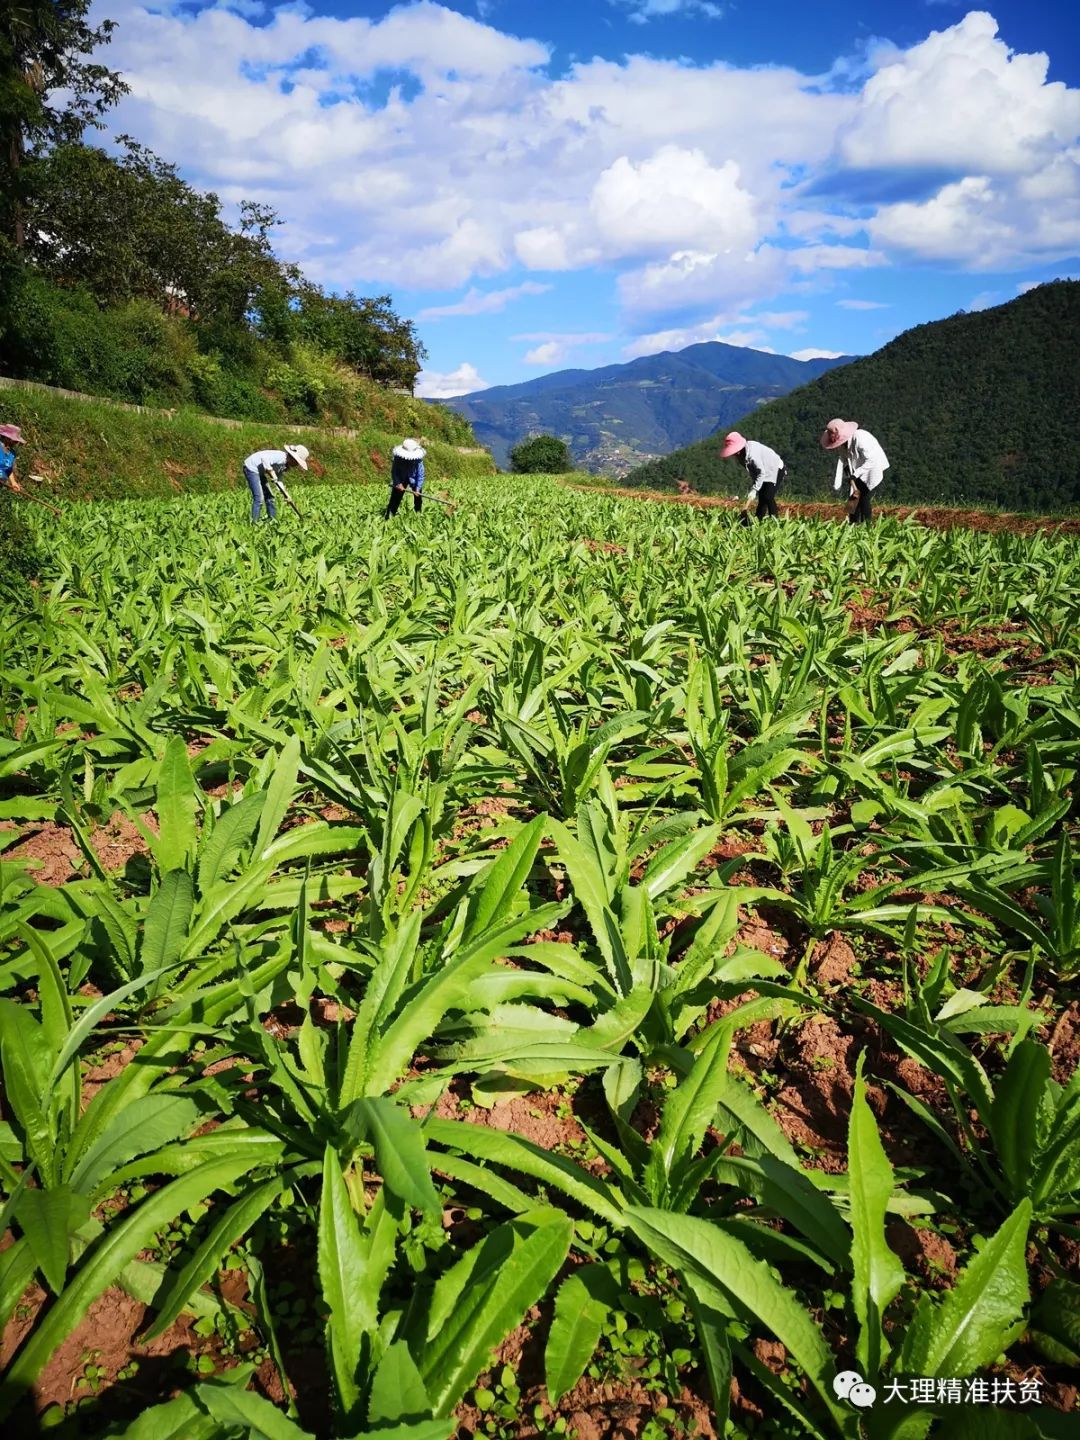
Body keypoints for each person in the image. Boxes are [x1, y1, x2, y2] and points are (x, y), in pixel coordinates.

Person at [820, 419, 889, 525]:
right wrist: (848, 471)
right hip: (857, 468)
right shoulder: (842, 444)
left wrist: (855, 475)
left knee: (864, 497)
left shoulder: (860, 438)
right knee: (853, 498)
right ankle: (852, 523)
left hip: (872, 466)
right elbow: (844, 458)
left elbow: (871, 460)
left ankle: (866, 526)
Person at [719, 430, 785, 520]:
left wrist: (754, 489)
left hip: (775, 468)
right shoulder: (741, 455)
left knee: (768, 496)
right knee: (762, 498)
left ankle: (775, 521)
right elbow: (754, 472)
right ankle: (758, 521)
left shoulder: (753, 455)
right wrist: (756, 485)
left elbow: (761, 472)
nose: (735, 454)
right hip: (763, 470)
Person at [242, 444, 308, 521]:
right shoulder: (281, 457)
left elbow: (279, 481)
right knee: (259, 498)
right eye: (297, 462)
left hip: (260, 471)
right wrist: (271, 471)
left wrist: (286, 495)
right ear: (293, 458)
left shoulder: (283, 465)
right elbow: (264, 459)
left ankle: (272, 520)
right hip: (251, 467)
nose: (297, 465)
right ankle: (254, 522)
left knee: (270, 496)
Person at [386, 437, 425, 517]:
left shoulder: (418, 460)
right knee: (395, 499)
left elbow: (420, 475)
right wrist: (398, 483)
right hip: (401, 478)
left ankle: (418, 515)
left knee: (418, 498)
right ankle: (389, 516)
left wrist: (418, 488)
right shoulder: (398, 458)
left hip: (414, 478)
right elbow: (394, 472)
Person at [0, 424, 25, 495]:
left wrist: (13, 483)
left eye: (16, 441)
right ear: (6, 438)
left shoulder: (12, 454)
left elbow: (8, 469)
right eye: (14, 440)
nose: (16, 443)